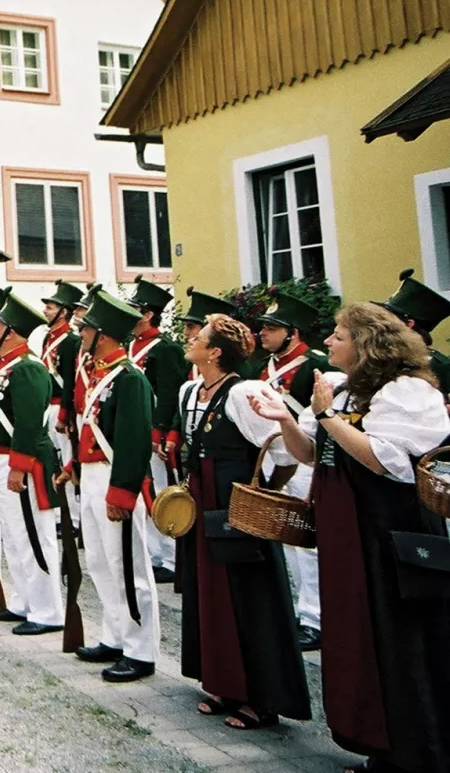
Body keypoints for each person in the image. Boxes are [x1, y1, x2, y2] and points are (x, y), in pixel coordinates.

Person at [253, 304, 450, 769]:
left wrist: (326, 419)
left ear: (366, 344)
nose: (329, 342)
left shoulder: (405, 391)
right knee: (357, 637)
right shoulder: (339, 390)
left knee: (399, 639)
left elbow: (388, 461)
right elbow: (307, 453)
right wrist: (284, 418)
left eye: (339, 335)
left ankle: (416, 751)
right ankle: (375, 741)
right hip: (347, 535)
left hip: (387, 535)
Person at [176, 313, 311, 730]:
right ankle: (223, 681)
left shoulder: (243, 392)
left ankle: (262, 698)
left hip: (236, 504)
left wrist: (265, 492)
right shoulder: (190, 390)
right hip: (202, 498)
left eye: (200, 337)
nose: (191, 339)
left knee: (250, 595)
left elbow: (283, 453)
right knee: (209, 590)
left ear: (215, 352)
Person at [65, 288, 162, 684]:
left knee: (128, 566)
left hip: (113, 475)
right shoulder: (96, 372)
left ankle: (141, 650)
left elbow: (133, 439)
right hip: (90, 473)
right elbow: (91, 427)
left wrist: (121, 492)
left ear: (102, 334)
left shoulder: (129, 379)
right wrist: (74, 464)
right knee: (100, 562)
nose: (81, 333)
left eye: (86, 328)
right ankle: (115, 635)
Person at [0, 290, 65, 635]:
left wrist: (18, 465)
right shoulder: (7, 367)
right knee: (14, 536)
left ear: (9, 331)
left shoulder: (27, 368)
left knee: (33, 537)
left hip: (20, 465)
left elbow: (28, 423)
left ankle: (47, 610)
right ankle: (25, 601)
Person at [254, 289, 332, 651]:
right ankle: (298, 609)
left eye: (272, 328)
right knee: (282, 537)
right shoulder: (263, 367)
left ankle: (315, 618)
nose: (263, 333)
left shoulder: (317, 366)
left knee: (306, 544)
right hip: (274, 458)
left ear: (293, 332)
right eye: (263, 327)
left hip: (305, 460)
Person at [126, 276, 189, 584]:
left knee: (162, 492)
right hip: (134, 431)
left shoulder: (165, 349)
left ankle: (171, 554)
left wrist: (161, 431)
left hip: (155, 433)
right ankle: (153, 553)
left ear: (148, 314)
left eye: (134, 308)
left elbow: (169, 393)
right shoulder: (131, 345)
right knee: (144, 492)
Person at [377, 268, 450, 396]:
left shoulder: (439, 366)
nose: (382, 325)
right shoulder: (384, 360)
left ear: (409, 324)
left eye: (388, 320)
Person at [41, 281, 84, 469]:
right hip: (47, 407)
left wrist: (64, 415)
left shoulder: (71, 341)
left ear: (63, 312)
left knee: (67, 459)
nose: (45, 311)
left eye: (50, 308)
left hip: (61, 407)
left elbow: (70, 382)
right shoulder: (48, 338)